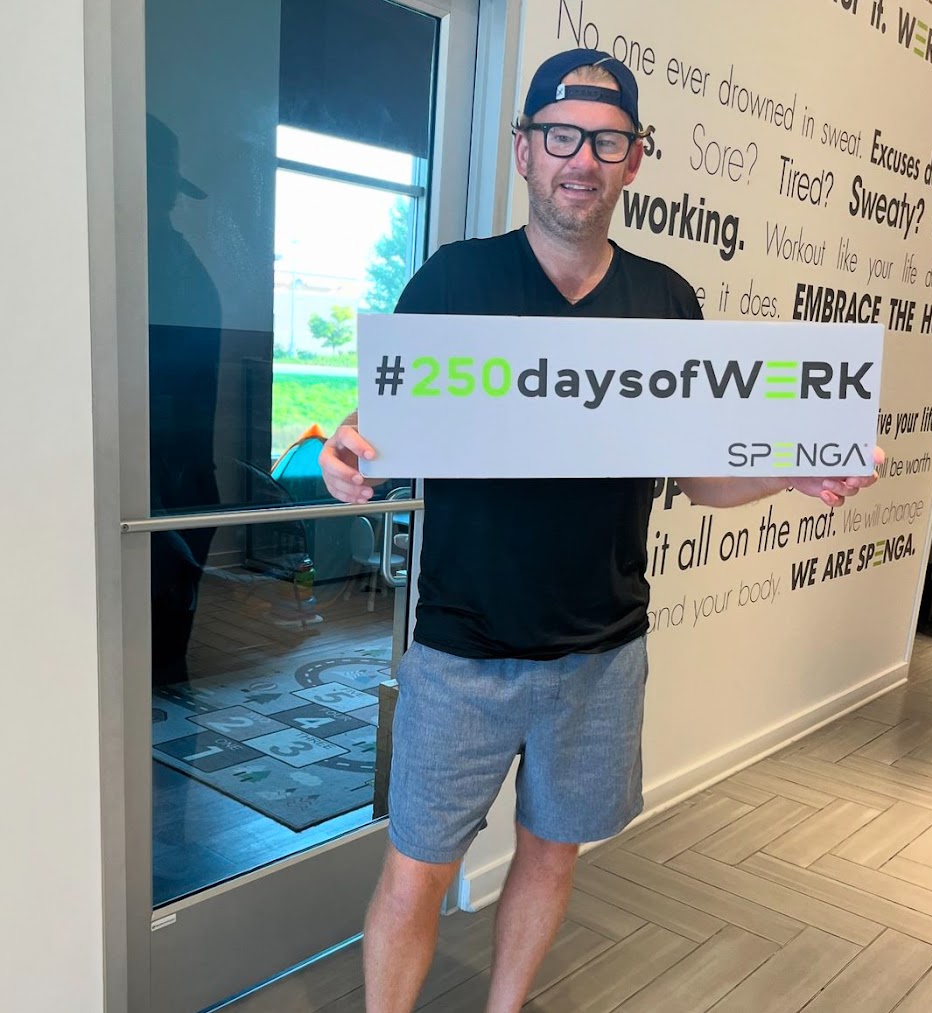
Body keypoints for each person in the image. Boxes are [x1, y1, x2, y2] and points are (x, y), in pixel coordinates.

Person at [320, 48, 881, 1013]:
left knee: (551, 853)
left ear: (635, 159)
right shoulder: (455, 282)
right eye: (562, 136)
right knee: (415, 870)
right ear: (525, 150)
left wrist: (788, 469)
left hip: (602, 651)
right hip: (460, 650)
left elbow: (697, 475)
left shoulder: (667, 303)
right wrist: (346, 460)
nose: (582, 158)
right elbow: (380, 434)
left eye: (607, 141)